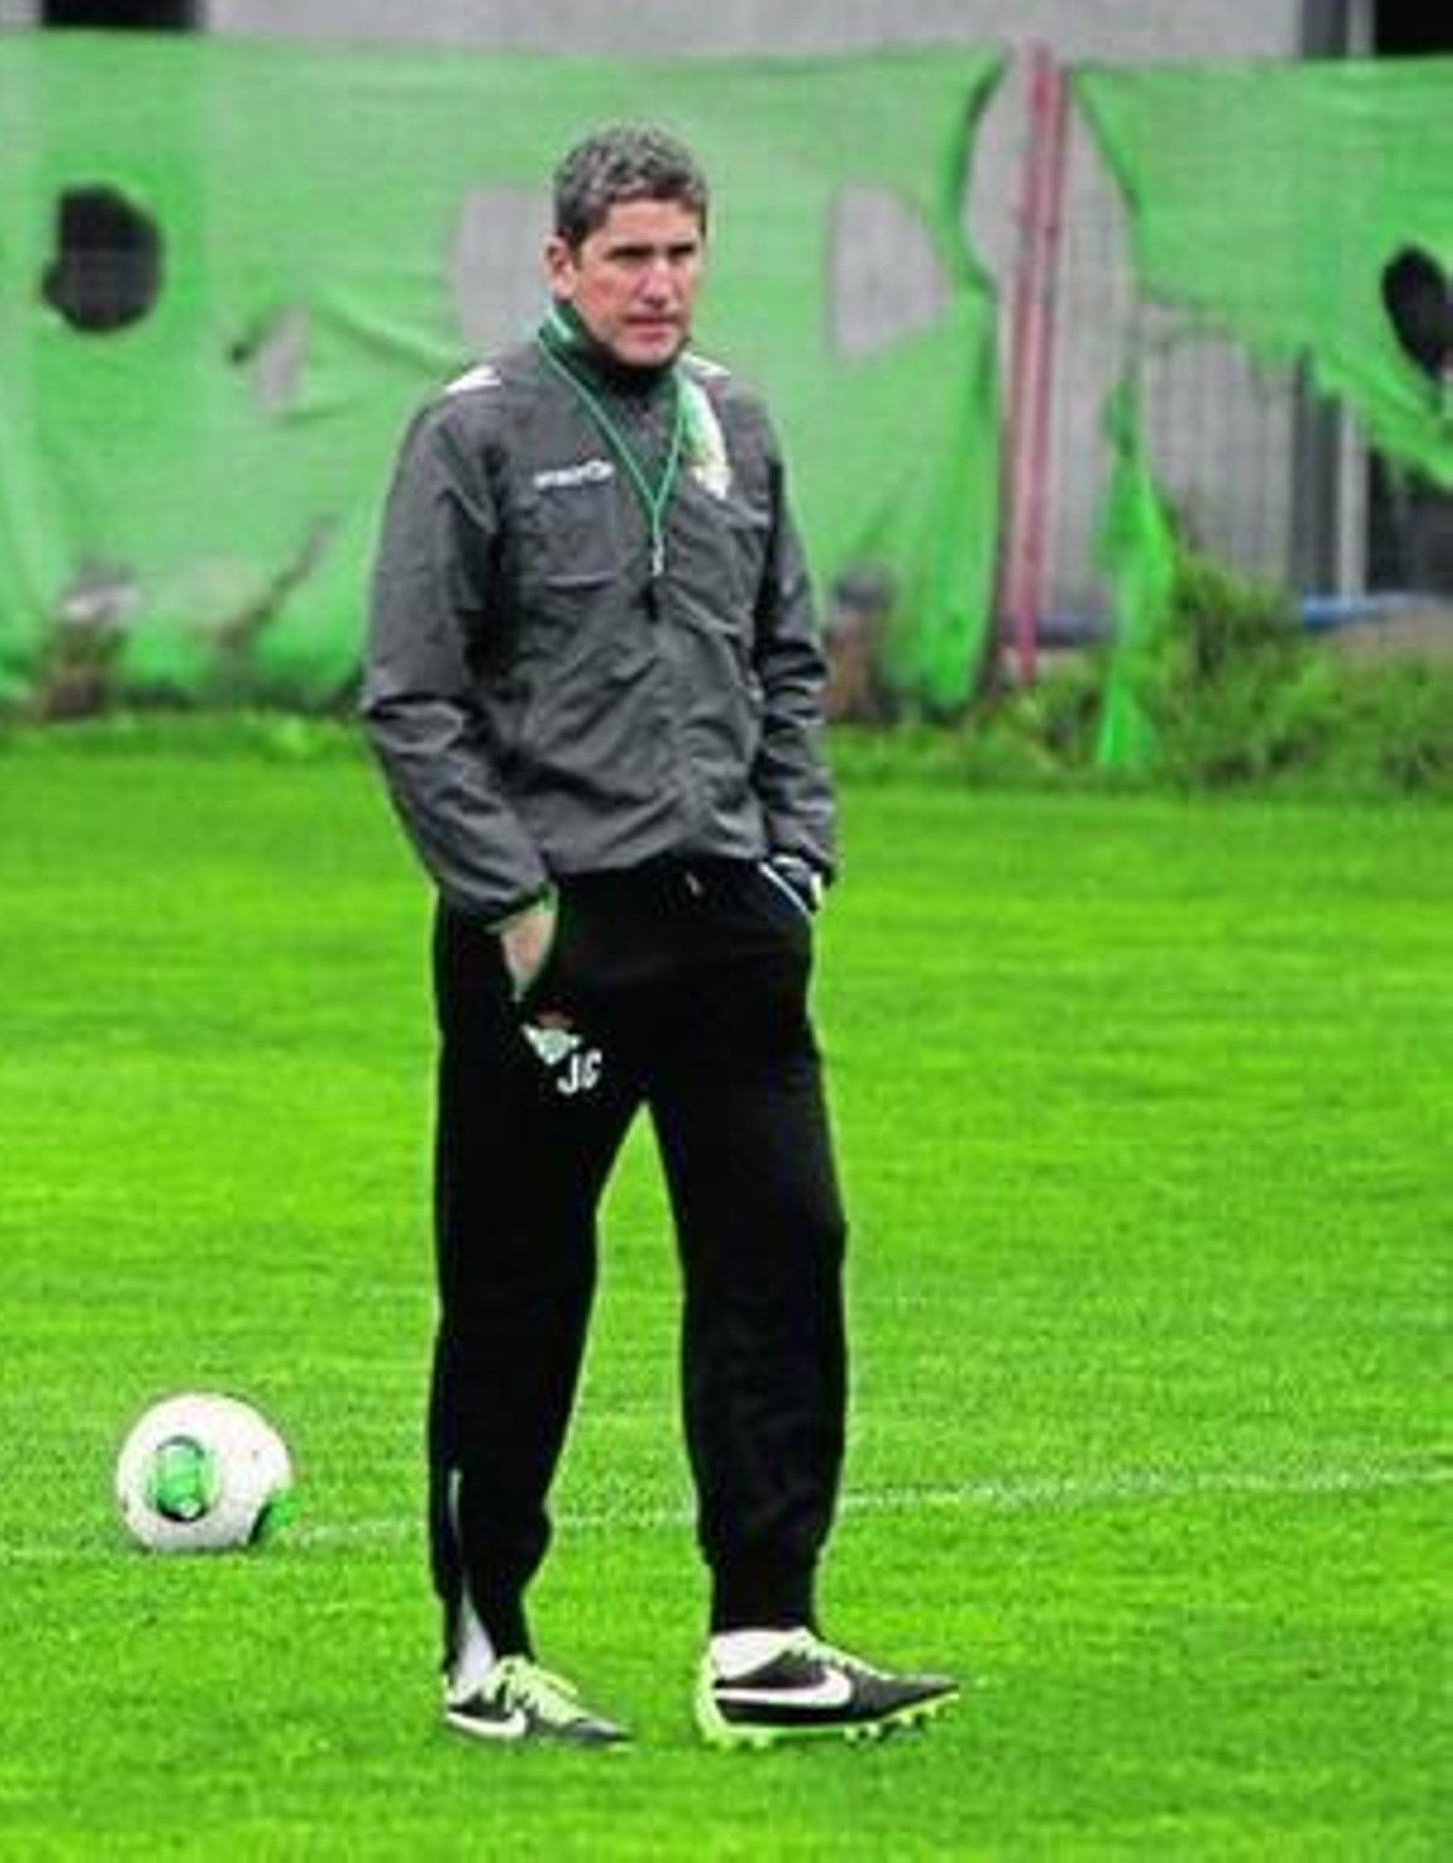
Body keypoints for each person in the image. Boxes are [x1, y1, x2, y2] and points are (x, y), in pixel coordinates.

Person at [361, 124, 957, 1749]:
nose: (659, 284)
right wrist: (518, 908)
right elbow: (410, 701)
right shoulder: (471, 434)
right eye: (627, 256)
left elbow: (784, 662)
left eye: (682, 253)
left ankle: (765, 1636)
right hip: (552, 941)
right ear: (560, 264)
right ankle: (488, 1648)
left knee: (789, 1249)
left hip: (732, 928)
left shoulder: (735, 427)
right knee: (518, 1290)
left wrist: (800, 860)